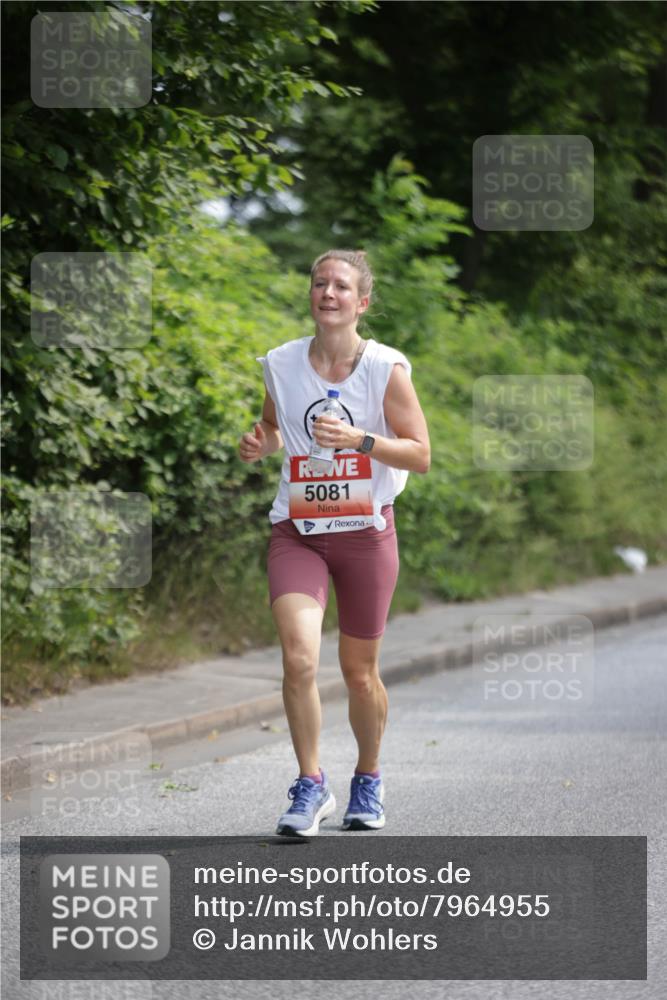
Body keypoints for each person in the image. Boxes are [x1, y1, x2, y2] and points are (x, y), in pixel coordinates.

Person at [238, 249, 430, 836]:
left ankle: (367, 780)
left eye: (341, 286)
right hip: (297, 531)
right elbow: (275, 426)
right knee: (299, 658)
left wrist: (360, 440)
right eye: (319, 282)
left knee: (358, 673)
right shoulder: (280, 362)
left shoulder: (385, 368)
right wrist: (262, 443)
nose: (328, 293)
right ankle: (309, 785)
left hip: (366, 535)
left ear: (361, 302)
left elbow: (420, 455)